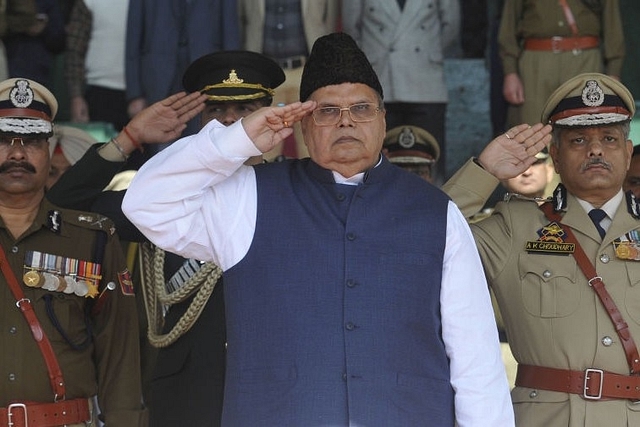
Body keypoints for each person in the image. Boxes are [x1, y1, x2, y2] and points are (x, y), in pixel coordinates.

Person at [122, 32, 514, 426]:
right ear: (302, 125)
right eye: (327, 111)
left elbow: (475, 362)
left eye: (361, 108)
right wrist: (234, 141)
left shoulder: (435, 211)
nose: (346, 120)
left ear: (383, 119)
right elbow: (145, 204)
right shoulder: (249, 196)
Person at [48, 50, 286, 427]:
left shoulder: (296, 191)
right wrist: (129, 138)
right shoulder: (161, 198)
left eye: (245, 110)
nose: (228, 120)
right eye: (215, 111)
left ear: (271, 116)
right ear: (200, 124)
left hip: (272, 390)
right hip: (185, 396)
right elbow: (61, 206)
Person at [443, 72, 640, 425]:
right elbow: (425, 240)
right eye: (578, 140)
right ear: (555, 156)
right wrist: (484, 172)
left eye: (609, 138)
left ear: (627, 153)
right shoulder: (515, 227)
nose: (595, 149)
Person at [0, 77, 147, 425]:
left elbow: (119, 353)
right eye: (4, 140)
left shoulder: (91, 238)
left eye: (33, 141)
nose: (18, 153)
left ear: (49, 149)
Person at [342, 0, 460, 183]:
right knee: (376, 162)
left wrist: (429, 52)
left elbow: (451, 24)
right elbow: (351, 27)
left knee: (429, 160)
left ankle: (434, 208)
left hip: (425, 81)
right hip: (379, 79)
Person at [125, 0, 240, 151]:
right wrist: (135, 93)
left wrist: (231, 87)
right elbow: (133, 36)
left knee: (205, 146)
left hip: (207, 77)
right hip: (158, 78)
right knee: (162, 152)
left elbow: (230, 32)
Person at [238, 0, 340, 160]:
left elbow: (329, 20)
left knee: (312, 143)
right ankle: (267, 184)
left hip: (306, 70)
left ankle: (310, 185)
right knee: (265, 147)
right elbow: (242, 21)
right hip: (266, 75)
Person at [498, 0, 625, 129]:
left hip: (585, 61)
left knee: (584, 129)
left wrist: (613, 72)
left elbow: (612, 25)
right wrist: (510, 72)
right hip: (536, 64)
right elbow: (508, 27)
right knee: (532, 130)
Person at [65, 0, 130, 131]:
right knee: (99, 149)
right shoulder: (89, 2)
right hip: (98, 91)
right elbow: (75, 50)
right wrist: (76, 96)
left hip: (141, 94)